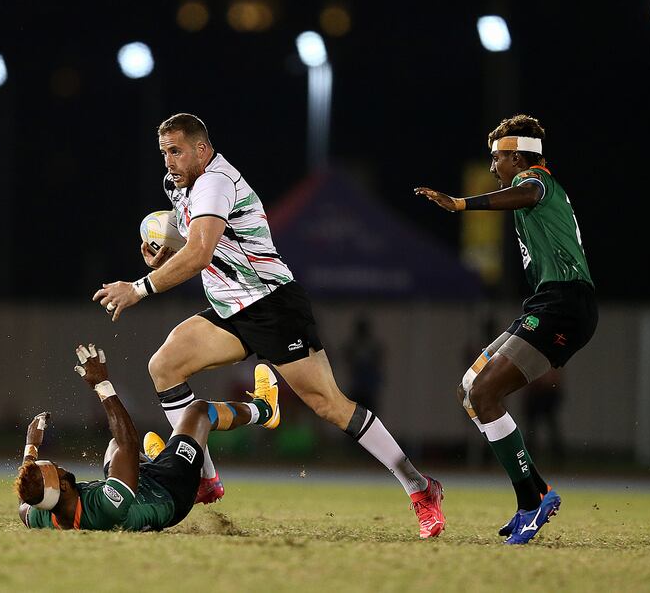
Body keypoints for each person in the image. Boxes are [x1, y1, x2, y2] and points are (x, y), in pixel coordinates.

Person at [92, 113, 445, 538]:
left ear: (202, 150)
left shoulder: (215, 183)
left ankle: (421, 488)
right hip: (230, 307)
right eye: (164, 151)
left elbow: (202, 253)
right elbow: (203, 244)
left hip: (272, 306)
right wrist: (167, 254)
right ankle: (205, 478)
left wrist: (139, 287)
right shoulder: (178, 184)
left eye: (177, 150)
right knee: (164, 365)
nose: (169, 160)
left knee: (329, 405)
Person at [416, 114, 597, 544]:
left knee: (484, 393)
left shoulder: (537, 180)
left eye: (497, 157)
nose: (493, 165)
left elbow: (528, 192)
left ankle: (531, 503)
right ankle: (538, 494)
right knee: (469, 388)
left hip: (565, 304)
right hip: (546, 303)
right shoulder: (531, 187)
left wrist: (461, 204)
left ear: (517, 157)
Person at [14, 343, 279, 531]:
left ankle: (157, 460)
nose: (61, 468)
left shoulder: (40, 514)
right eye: (57, 470)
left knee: (113, 446)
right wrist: (101, 385)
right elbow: (129, 441)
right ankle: (265, 410)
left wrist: (31, 447)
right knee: (197, 412)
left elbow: (25, 500)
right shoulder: (107, 508)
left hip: (142, 486)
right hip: (171, 492)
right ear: (61, 486)